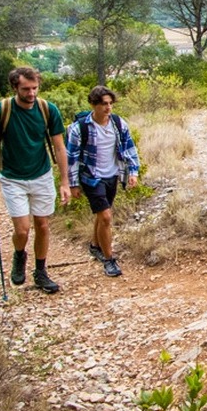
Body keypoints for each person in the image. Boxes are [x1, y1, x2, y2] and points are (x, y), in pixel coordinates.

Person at [0, 67, 71, 294]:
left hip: (42, 175)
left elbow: (60, 147)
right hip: (12, 178)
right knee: (22, 230)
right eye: (25, 89)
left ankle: (40, 271)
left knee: (43, 225)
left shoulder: (47, 109)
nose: (31, 93)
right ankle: (19, 255)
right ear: (15, 88)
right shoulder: (0, 111)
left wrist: (65, 182)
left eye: (34, 88)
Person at [67, 85, 141, 278]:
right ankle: (109, 260)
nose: (108, 107)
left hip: (113, 175)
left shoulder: (117, 123)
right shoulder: (80, 128)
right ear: (93, 105)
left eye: (110, 103)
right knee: (106, 217)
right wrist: (72, 184)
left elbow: (129, 147)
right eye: (103, 104)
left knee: (102, 215)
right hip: (91, 178)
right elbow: (71, 158)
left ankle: (95, 245)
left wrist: (133, 172)